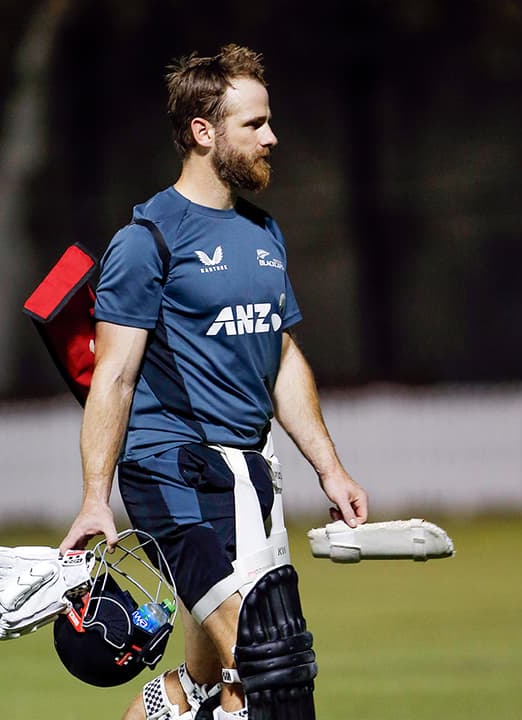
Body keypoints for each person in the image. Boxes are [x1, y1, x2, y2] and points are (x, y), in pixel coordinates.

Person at [57, 43, 368, 720]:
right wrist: (94, 498)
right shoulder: (147, 241)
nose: (271, 137)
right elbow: (112, 377)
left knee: (208, 685)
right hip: (173, 474)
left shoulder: (265, 235)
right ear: (204, 131)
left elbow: (280, 355)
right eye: (253, 124)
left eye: (268, 121)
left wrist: (331, 469)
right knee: (267, 668)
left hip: (250, 480)